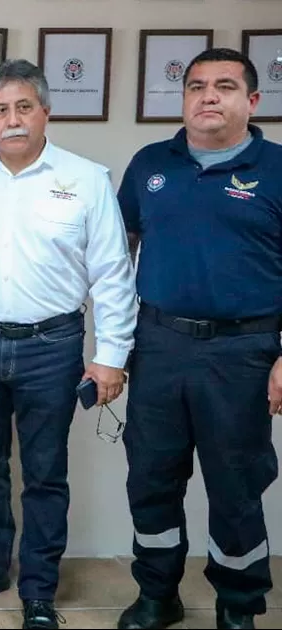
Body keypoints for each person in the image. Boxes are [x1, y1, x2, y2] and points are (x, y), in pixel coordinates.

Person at [0, 59, 137, 630]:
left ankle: (39, 588)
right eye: (0, 110)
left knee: (46, 471)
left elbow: (114, 275)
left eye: (24, 107)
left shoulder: (87, 178)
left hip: (52, 346)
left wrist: (110, 357)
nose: (13, 119)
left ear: (46, 111)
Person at [115, 48, 281, 630]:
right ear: (183, 99)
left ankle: (239, 604)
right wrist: (114, 342)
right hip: (159, 344)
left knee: (235, 482)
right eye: (196, 86)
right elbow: (120, 254)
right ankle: (157, 593)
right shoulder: (149, 165)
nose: (208, 96)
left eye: (225, 86)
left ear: (252, 101)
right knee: (151, 476)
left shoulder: (278, 168)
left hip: (245, 353)